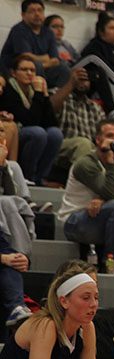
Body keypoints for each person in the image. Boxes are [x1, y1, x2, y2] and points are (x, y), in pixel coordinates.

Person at [58, 118, 114, 273]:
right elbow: (110, 192)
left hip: (103, 218)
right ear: (98, 140)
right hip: (75, 222)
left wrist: (104, 200)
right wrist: (110, 165)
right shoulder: (85, 163)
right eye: (110, 136)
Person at [0, 56, 62, 185]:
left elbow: (51, 122)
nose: (29, 73)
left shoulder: (34, 90)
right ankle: (26, 176)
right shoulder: (8, 90)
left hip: (32, 133)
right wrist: (39, 94)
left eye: (32, 70)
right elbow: (29, 120)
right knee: (37, 133)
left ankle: (39, 178)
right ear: (14, 73)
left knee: (55, 134)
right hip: (18, 133)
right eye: (24, 69)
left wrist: (44, 95)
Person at [1, 0, 70, 89]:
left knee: (63, 69)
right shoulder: (19, 30)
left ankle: (55, 96)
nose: (37, 14)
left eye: (40, 10)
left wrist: (42, 62)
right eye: (32, 11)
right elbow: (26, 57)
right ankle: (40, 97)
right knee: (35, 66)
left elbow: (55, 60)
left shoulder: (48, 32)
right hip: (13, 71)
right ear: (23, 15)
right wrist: (45, 58)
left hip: (39, 68)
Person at [0, 136, 35, 257]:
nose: (0, 135)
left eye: (2, 131)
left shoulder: (8, 164)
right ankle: (20, 252)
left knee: (11, 201)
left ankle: (28, 202)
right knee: (7, 202)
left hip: (6, 210)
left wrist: (3, 167)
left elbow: (11, 193)